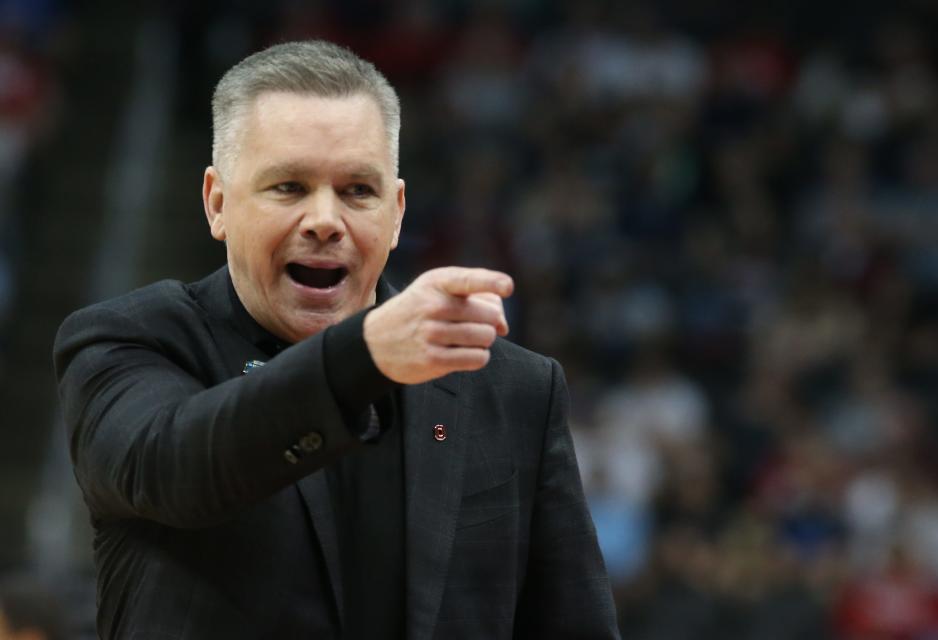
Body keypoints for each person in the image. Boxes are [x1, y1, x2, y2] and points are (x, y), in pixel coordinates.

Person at [53, 40, 618, 639]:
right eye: (289, 187)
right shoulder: (130, 341)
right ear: (217, 203)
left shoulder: (514, 389)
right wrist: (364, 355)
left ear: (396, 213)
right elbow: (175, 468)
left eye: (357, 191)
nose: (325, 220)